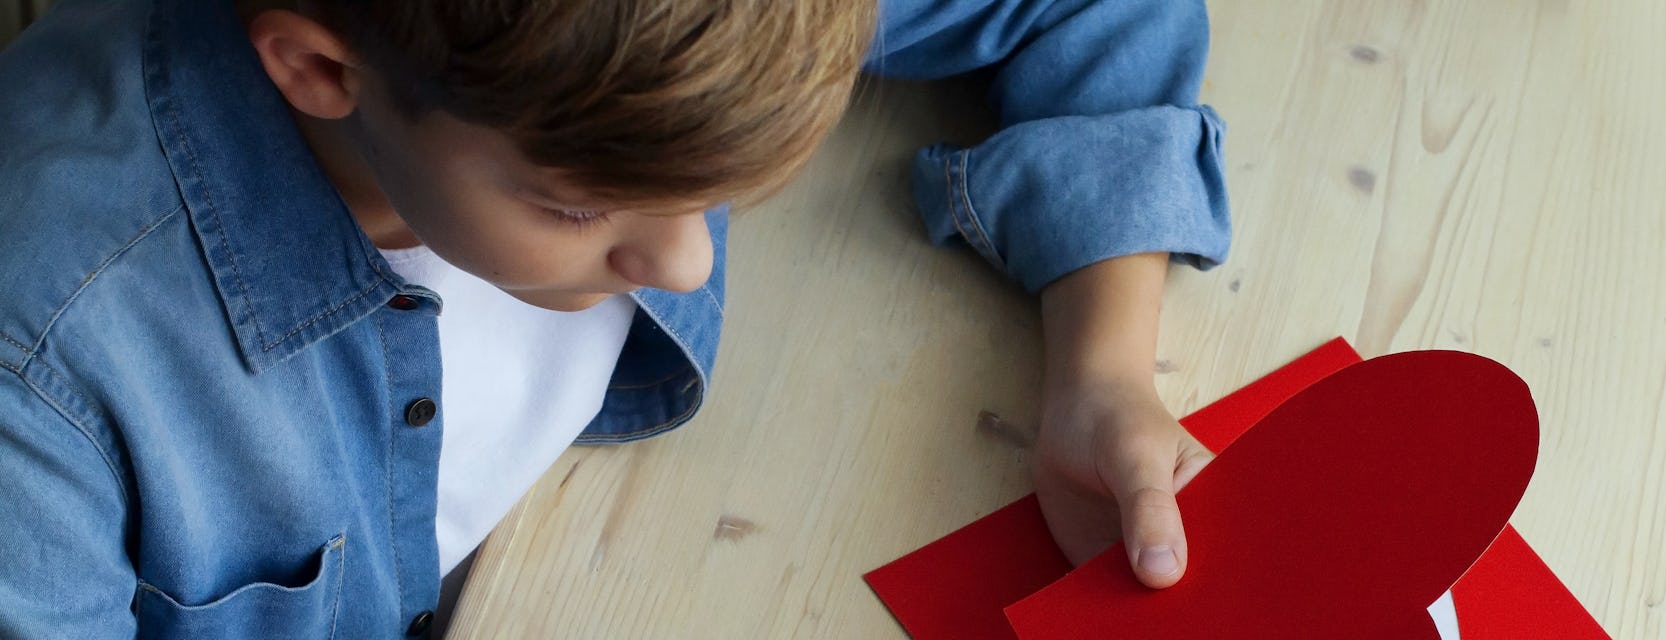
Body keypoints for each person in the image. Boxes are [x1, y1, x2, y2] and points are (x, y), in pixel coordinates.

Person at [0, 0, 1231, 635]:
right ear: (320, 71)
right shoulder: (45, 373)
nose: (685, 263)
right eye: (582, 206)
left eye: (718, 187)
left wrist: (1103, 369)